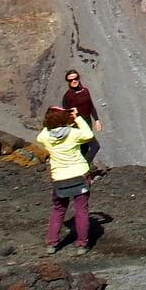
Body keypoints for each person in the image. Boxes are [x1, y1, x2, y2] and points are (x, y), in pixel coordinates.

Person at [37, 105, 95, 256]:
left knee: (58, 210)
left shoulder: (45, 137)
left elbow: (42, 133)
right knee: (81, 210)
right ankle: (82, 244)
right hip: (79, 175)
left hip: (60, 178)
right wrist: (77, 117)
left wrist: (50, 119)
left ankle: (52, 243)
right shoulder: (74, 134)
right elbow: (88, 135)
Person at [61, 69, 105, 176]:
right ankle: (83, 169)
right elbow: (66, 112)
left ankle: (84, 172)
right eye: (71, 80)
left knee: (84, 147)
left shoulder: (85, 91)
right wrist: (71, 123)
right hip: (77, 124)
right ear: (67, 81)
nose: (74, 81)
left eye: (76, 78)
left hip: (87, 121)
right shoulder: (68, 96)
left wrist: (97, 120)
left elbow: (90, 106)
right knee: (95, 146)